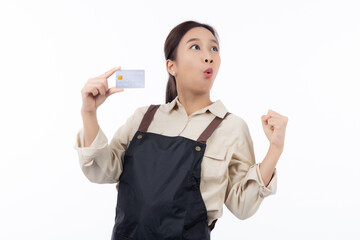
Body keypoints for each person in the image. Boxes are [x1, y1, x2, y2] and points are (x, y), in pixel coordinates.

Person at [74, 20, 288, 240]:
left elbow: (243, 205)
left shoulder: (231, 128)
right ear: (171, 66)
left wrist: (275, 149)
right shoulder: (143, 118)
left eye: (214, 48)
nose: (208, 56)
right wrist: (89, 113)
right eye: (195, 47)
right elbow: (101, 172)